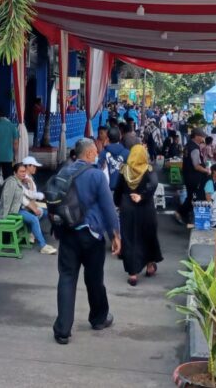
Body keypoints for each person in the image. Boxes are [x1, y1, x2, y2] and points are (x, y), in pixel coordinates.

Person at [52, 138, 121, 345]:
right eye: (96, 152)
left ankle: (63, 330)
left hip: (68, 232)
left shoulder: (63, 172)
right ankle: (99, 318)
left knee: (66, 277)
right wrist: (115, 235)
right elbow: (108, 208)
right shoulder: (97, 175)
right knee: (94, 279)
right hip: (91, 234)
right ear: (90, 154)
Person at [115, 144, 163, 285]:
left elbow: (118, 190)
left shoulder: (124, 170)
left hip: (127, 208)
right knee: (147, 236)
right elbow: (153, 184)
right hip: (145, 209)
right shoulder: (148, 169)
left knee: (129, 239)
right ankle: (149, 266)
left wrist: (118, 203)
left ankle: (133, 274)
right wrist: (142, 196)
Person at [0, 162, 57, 255]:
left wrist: (29, 182)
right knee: (34, 218)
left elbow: (28, 195)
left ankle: (31, 232)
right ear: (15, 173)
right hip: (11, 211)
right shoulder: (11, 183)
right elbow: (22, 200)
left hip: (18, 208)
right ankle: (43, 246)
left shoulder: (19, 182)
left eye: (24, 171)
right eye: (21, 171)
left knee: (42, 213)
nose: (23, 173)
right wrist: (34, 209)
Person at [176, 128, 210, 227]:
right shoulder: (194, 148)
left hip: (187, 175)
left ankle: (184, 214)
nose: (203, 138)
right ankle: (182, 213)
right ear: (196, 136)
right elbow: (196, 166)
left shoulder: (188, 145)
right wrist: (206, 170)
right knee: (194, 197)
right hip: (194, 177)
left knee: (191, 196)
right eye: (202, 136)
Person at [98, 127, 128, 192]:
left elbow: (99, 171)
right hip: (123, 190)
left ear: (107, 138)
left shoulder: (103, 154)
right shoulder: (127, 153)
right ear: (120, 137)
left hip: (107, 190)